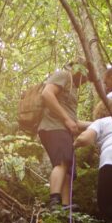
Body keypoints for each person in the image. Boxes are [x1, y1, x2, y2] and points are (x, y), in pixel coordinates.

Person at [38, 60, 89, 210]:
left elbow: (74, 122)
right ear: (79, 69)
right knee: (61, 162)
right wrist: (66, 120)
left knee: (68, 167)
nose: (86, 80)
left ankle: (67, 205)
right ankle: (54, 201)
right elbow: (46, 94)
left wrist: (99, 124)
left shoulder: (72, 88)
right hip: (53, 127)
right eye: (86, 75)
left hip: (63, 129)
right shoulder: (64, 75)